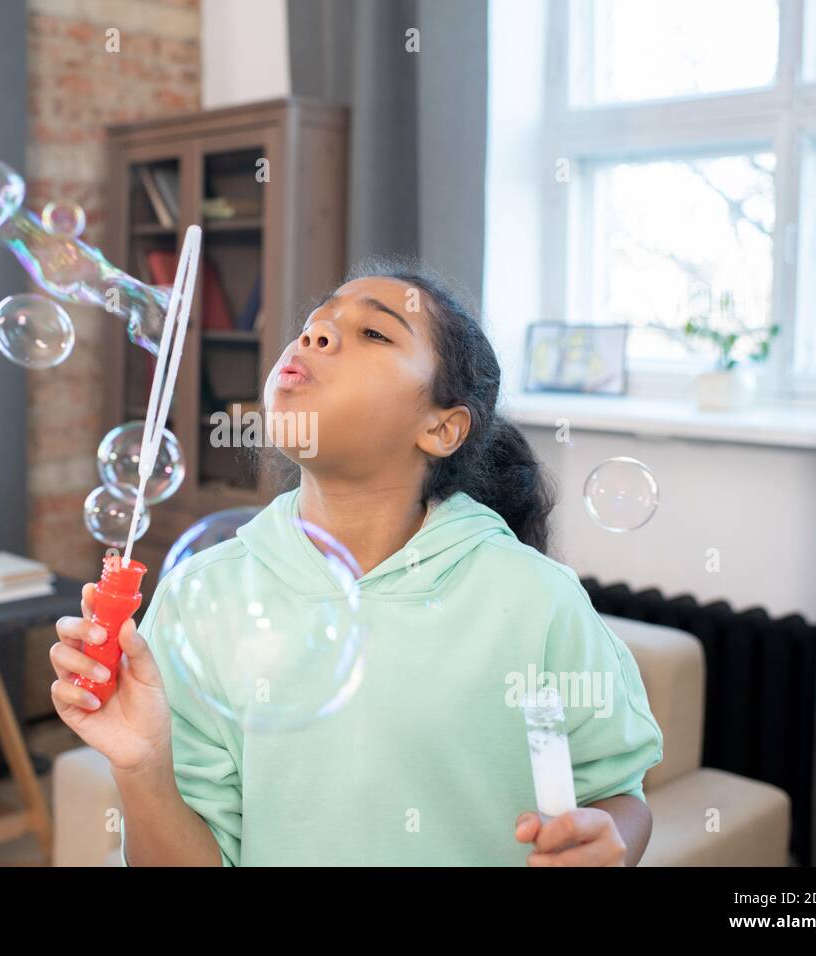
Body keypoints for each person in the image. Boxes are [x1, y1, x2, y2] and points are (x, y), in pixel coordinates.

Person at [51, 255, 663, 865]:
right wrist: (142, 767)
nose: (314, 334)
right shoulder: (199, 598)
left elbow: (618, 795)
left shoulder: (537, 597)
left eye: (373, 331)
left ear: (442, 428)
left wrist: (609, 842)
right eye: (313, 324)